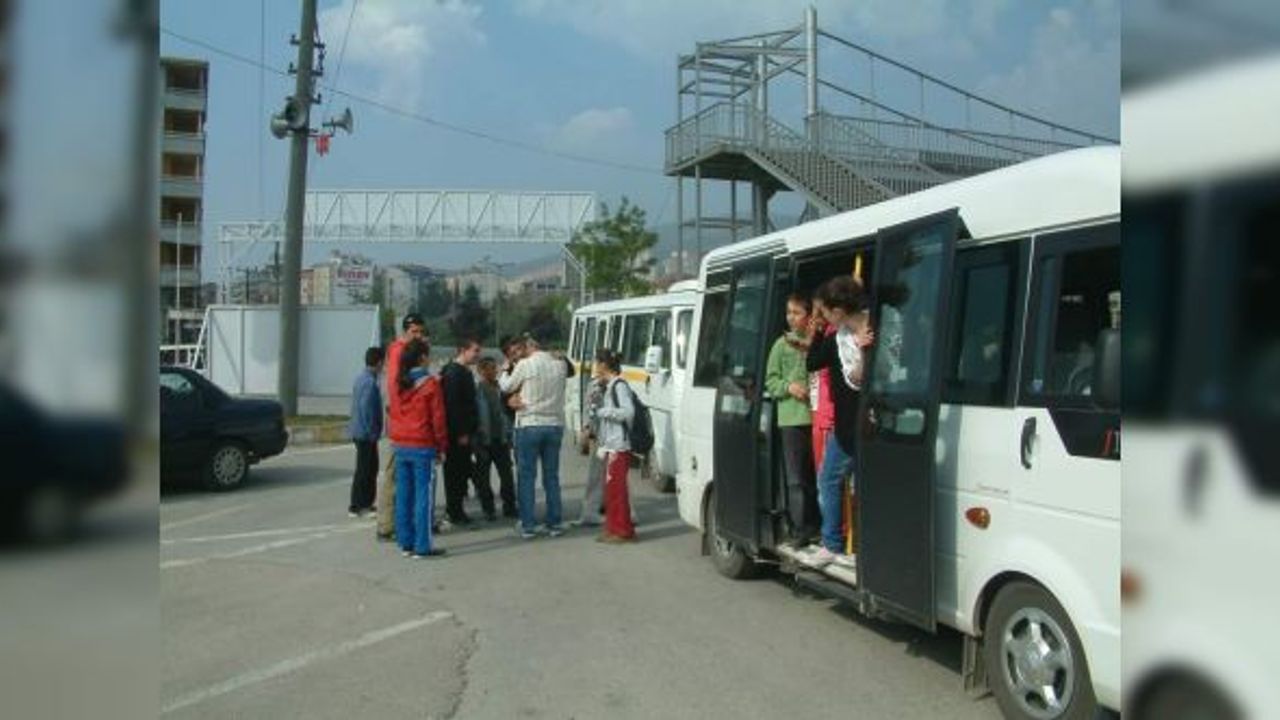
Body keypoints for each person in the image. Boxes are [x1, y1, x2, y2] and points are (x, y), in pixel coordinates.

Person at [804, 276, 874, 568]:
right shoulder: (837, 337)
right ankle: (832, 542)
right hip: (846, 427)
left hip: (870, 425)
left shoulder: (877, 328)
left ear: (840, 309)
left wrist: (865, 353)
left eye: (825, 312)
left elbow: (877, 375)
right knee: (828, 480)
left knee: (851, 485)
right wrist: (817, 333)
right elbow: (812, 363)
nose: (823, 317)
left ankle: (842, 543)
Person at [499, 332, 570, 539]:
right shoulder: (560, 364)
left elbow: (506, 386)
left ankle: (528, 524)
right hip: (554, 424)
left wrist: (505, 369)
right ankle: (554, 523)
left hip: (529, 423)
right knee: (552, 476)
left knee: (527, 476)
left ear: (528, 346)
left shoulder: (526, 365)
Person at [764, 294, 818, 547]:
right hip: (791, 420)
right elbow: (771, 381)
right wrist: (789, 387)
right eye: (789, 312)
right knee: (796, 478)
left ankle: (816, 524)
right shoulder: (780, 345)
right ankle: (800, 528)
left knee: (816, 475)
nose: (791, 317)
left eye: (797, 312)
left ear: (809, 315)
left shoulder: (816, 342)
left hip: (817, 419)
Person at [387, 338, 448, 558]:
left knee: (404, 495)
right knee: (424, 497)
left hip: (401, 443)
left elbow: (392, 411)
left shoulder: (398, 382)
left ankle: (406, 542)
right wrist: (441, 446)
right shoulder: (430, 384)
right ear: (422, 358)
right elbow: (438, 419)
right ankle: (423, 546)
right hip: (422, 444)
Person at [377, 313, 426, 542]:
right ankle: (386, 524)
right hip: (402, 423)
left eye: (420, 331)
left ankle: (405, 521)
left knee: (405, 477)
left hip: (406, 422)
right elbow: (397, 388)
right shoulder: (399, 351)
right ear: (405, 331)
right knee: (395, 475)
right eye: (414, 331)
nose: (418, 336)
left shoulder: (411, 351)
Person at [440, 339, 493, 524]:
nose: (478, 354)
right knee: (455, 472)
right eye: (475, 350)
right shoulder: (454, 373)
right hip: (458, 434)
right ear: (463, 350)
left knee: (461, 472)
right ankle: (454, 511)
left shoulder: (463, 372)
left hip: (467, 431)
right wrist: (461, 432)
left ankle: (456, 510)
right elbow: (453, 405)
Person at [592, 349, 637, 543]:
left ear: (603, 365)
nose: (595, 367)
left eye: (597, 363)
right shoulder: (609, 386)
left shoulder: (619, 386)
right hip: (611, 445)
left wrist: (605, 412)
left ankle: (623, 531)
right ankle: (612, 527)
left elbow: (628, 413)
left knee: (618, 491)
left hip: (620, 445)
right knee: (610, 490)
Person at [474, 356, 517, 519]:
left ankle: (510, 506)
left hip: (501, 438)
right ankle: (488, 509)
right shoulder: (477, 389)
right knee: (483, 478)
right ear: (481, 371)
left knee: (506, 475)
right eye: (490, 368)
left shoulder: (501, 389)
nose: (494, 371)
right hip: (484, 440)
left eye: (495, 368)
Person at [347, 345, 384, 518]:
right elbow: (367, 409)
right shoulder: (370, 382)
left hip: (358, 431)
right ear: (379, 362)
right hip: (366, 434)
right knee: (367, 470)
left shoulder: (360, 378)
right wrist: (372, 433)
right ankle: (362, 505)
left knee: (364, 469)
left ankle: (359, 504)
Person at [571, 371, 608, 528]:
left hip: (609, 436)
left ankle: (595, 511)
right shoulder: (593, 385)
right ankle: (592, 510)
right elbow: (588, 408)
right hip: (599, 435)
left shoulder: (617, 385)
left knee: (609, 475)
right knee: (597, 473)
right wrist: (587, 428)